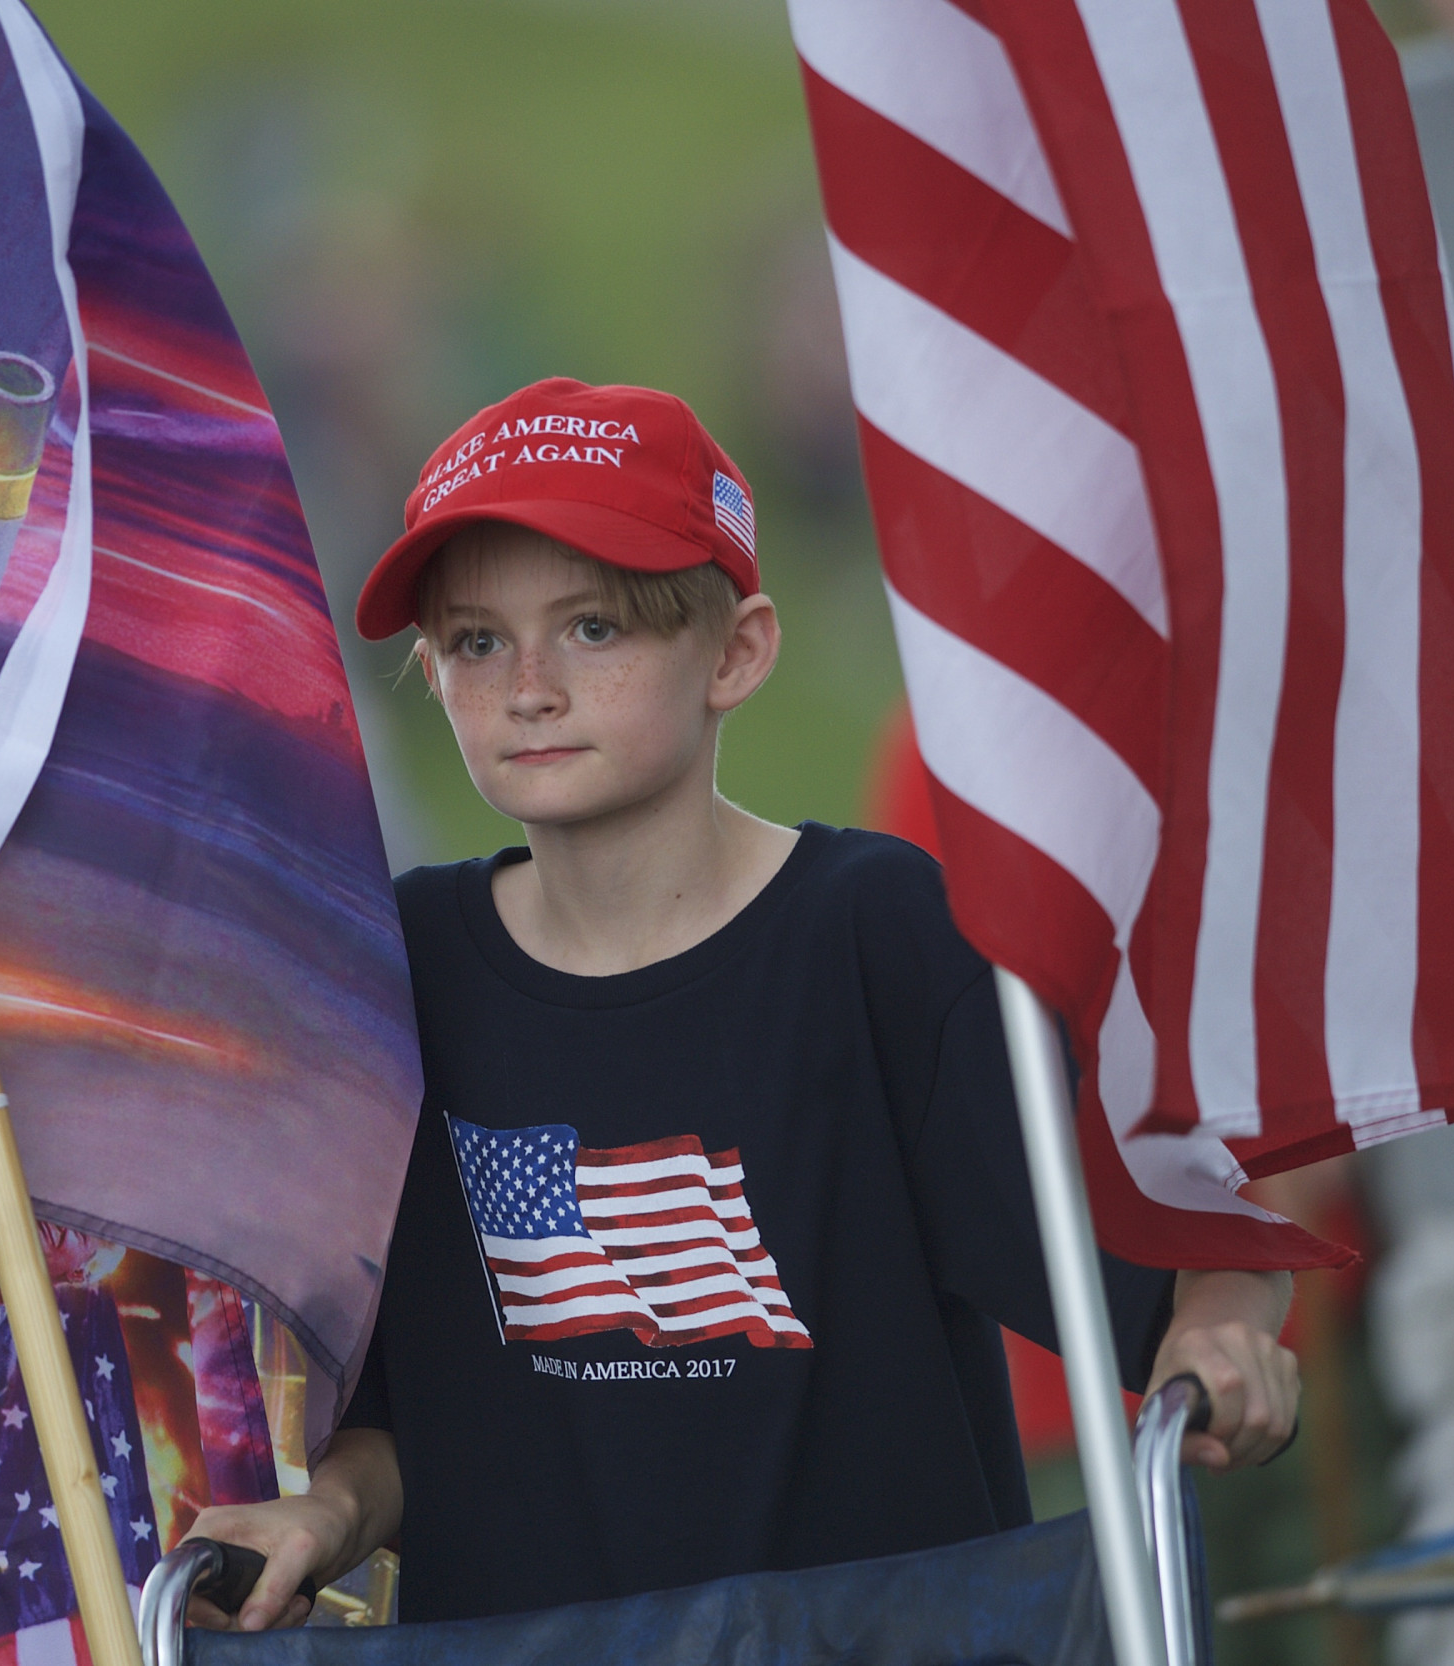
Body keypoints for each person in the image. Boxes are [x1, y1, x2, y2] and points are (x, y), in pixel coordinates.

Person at [183, 379, 1303, 1631]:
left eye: (594, 628)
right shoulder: (401, 968)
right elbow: (411, 1420)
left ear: (737, 650)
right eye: (477, 640)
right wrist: (324, 1513)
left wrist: (1218, 1330)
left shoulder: (877, 935)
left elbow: (1195, 1256)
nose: (530, 684)